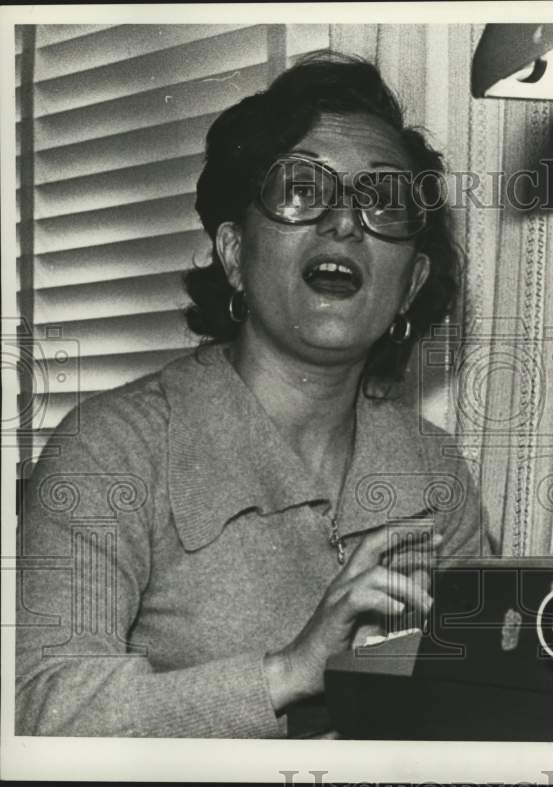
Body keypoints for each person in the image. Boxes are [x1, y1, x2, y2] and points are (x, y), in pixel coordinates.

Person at [15, 53, 492, 738]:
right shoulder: (111, 447)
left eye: (382, 200)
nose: (344, 224)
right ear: (234, 254)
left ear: (411, 285)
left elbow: (478, 699)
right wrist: (292, 669)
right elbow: (39, 707)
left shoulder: (434, 471)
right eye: (302, 189)